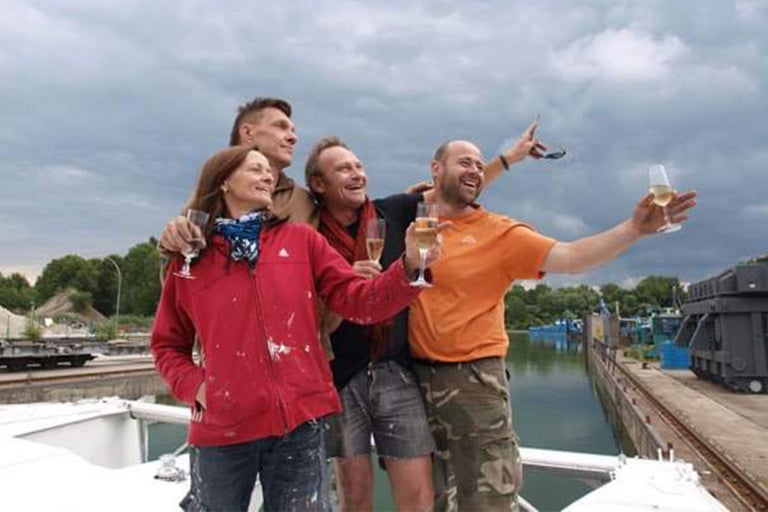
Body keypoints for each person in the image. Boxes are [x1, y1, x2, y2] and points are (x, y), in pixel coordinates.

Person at [409, 140, 697, 511]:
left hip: (475, 384)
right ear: (435, 168)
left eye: (480, 166)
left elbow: (572, 257)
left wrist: (634, 228)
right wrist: (508, 158)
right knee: (428, 500)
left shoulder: (501, 234)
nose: (475, 171)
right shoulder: (415, 219)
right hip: (413, 381)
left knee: (487, 500)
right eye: (464, 162)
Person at [151, 144, 438, 512]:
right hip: (223, 426)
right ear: (223, 182)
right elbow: (166, 345)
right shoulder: (192, 256)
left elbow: (361, 302)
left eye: (268, 171)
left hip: (300, 425)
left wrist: (410, 266)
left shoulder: (302, 240)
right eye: (255, 169)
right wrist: (197, 387)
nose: (268, 176)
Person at [301, 130, 543, 512]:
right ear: (319, 183)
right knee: (355, 494)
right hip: (339, 378)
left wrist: (508, 159)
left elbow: (453, 190)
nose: (356, 174)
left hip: (396, 372)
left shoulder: (392, 212)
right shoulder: (310, 238)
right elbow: (315, 325)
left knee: (419, 496)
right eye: (343, 169)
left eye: (359, 166)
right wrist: (346, 289)